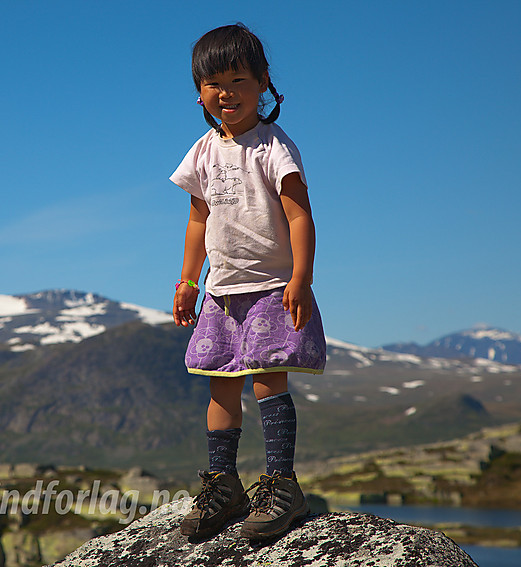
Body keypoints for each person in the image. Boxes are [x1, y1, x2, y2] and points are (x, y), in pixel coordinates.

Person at [170, 23, 327, 541]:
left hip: (271, 286)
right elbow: (199, 219)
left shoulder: (273, 147)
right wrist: (189, 280)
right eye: (214, 83)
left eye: (238, 80)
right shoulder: (202, 151)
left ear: (263, 83)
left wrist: (300, 278)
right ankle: (224, 485)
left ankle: (282, 486)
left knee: (267, 378)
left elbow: (300, 216)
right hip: (220, 291)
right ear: (200, 93)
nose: (226, 92)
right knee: (220, 384)